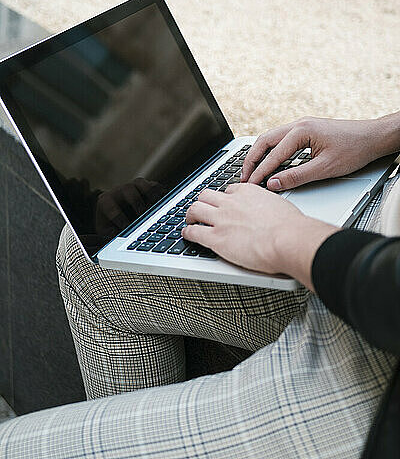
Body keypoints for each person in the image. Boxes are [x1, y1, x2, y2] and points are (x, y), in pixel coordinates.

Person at [0, 112, 399, 459]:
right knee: (91, 257)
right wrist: (383, 132)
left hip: (376, 345)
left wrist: (284, 236)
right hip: (376, 241)